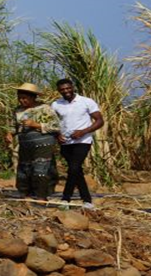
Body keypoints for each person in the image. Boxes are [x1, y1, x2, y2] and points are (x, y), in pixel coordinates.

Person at [51, 78, 104, 210]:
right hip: (65, 143)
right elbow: (51, 123)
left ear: (73, 87)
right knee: (77, 171)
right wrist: (57, 135)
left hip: (82, 141)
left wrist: (83, 132)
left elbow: (99, 121)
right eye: (62, 89)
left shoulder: (86, 102)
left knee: (74, 168)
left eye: (68, 88)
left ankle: (65, 198)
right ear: (59, 90)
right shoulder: (56, 104)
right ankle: (87, 200)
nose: (66, 91)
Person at [10, 83, 60, 201]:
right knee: (25, 168)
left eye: (24, 98)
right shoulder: (18, 110)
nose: (22, 101)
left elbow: (56, 126)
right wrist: (10, 133)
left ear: (33, 97)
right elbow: (13, 126)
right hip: (25, 144)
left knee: (40, 168)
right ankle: (26, 195)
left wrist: (36, 125)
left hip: (42, 144)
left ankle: (41, 196)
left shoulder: (44, 109)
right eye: (20, 98)